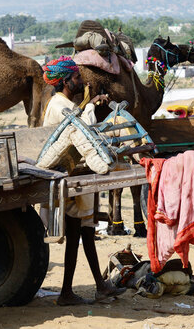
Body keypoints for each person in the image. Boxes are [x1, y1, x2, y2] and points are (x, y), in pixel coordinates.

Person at [41, 56, 126, 306]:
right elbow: (79, 129)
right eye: (77, 77)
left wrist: (91, 103)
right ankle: (68, 293)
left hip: (76, 175)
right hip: (67, 177)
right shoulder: (59, 105)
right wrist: (91, 105)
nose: (80, 81)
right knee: (79, 233)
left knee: (86, 232)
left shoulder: (64, 102)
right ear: (66, 81)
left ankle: (99, 287)